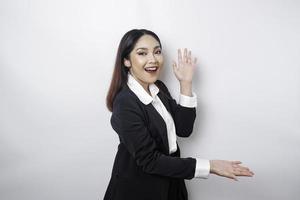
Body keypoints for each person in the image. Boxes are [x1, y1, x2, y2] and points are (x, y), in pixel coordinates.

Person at [103, 29, 254, 200]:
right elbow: (150, 161)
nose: (153, 59)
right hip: (138, 189)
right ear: (126, 61)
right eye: (142, 53)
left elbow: (183, 129)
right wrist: (210, 166)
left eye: (157, 52)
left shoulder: (158, 88)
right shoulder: (125, 103)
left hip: (171, 183)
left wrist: (186, 84)